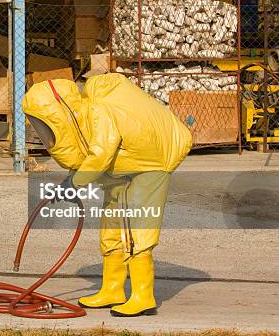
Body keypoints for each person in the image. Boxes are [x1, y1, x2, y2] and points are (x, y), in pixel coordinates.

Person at [22, 74, 192, 317]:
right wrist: (70, 181)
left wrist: (75, 182)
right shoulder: (81, 122)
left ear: (62, 113)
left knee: (137, 228)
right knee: (111, 228)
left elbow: (101, 152)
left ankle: (143, 296)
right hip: (122, 172)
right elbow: (86, 152)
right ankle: (113, 289)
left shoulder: (98, 114)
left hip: (149, 168)